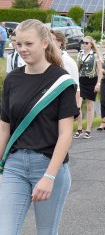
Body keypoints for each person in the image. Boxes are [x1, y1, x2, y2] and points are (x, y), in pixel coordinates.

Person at [0, 19, 79, 234]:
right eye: (18, 44)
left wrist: (49, 176)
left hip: (48, 165)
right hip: (14, 166)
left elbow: (65, 134)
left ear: (45, 43)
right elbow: (4, 128)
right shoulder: (12, 79)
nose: (22, 49)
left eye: (28, 44)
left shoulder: (61, 80)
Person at [74, 36, 103, 138]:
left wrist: (98, 83)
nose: (84, 44)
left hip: (91, 81)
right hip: (81, 81)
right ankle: (79, 128)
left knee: (90, 106)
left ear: (91, 44)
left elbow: (100, 70)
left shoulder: (95, 55)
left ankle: (88, 130)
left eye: (86, 43)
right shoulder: (80, 54)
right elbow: (77, 69)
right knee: (78, 105)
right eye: (83, 42)